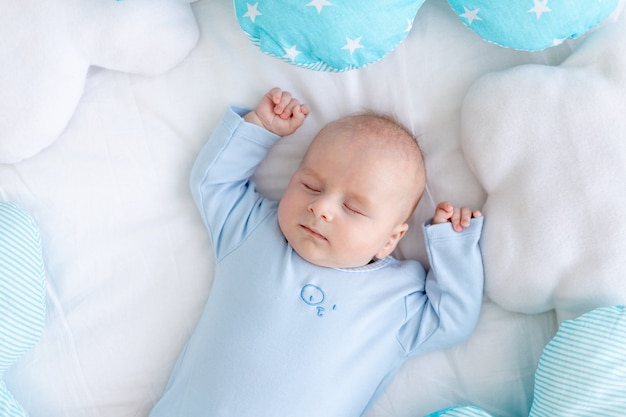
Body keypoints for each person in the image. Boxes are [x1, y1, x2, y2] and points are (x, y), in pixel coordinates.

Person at [150, 88, 484, 417]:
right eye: (310, 185)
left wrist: (452, 247)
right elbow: (213, 183)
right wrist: (260, 129)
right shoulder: (253, 230)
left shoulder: (398, 299)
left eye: (353, 208)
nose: (320, 207)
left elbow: (453, 319)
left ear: (389, 240)